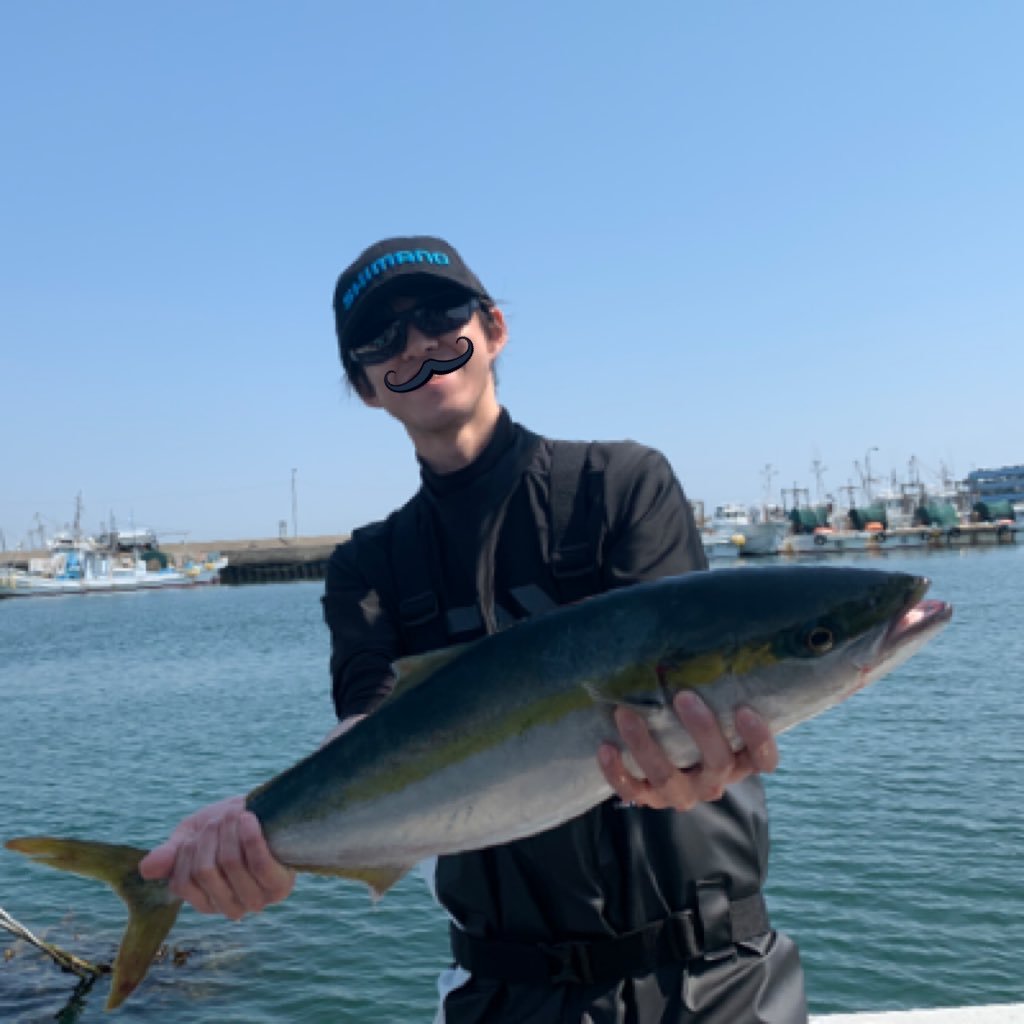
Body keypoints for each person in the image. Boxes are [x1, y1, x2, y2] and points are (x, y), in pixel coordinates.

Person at [141, 236, 808, 1023]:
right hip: (503, 992)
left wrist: (703, 756)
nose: (418, 343)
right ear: (366, 388)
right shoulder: (370, 567)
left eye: (440, 313)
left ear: (493, 328)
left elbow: (681, 682)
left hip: (716, 976)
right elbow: (368, 731)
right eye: (382, 339)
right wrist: (254, 826)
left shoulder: (620, 487)